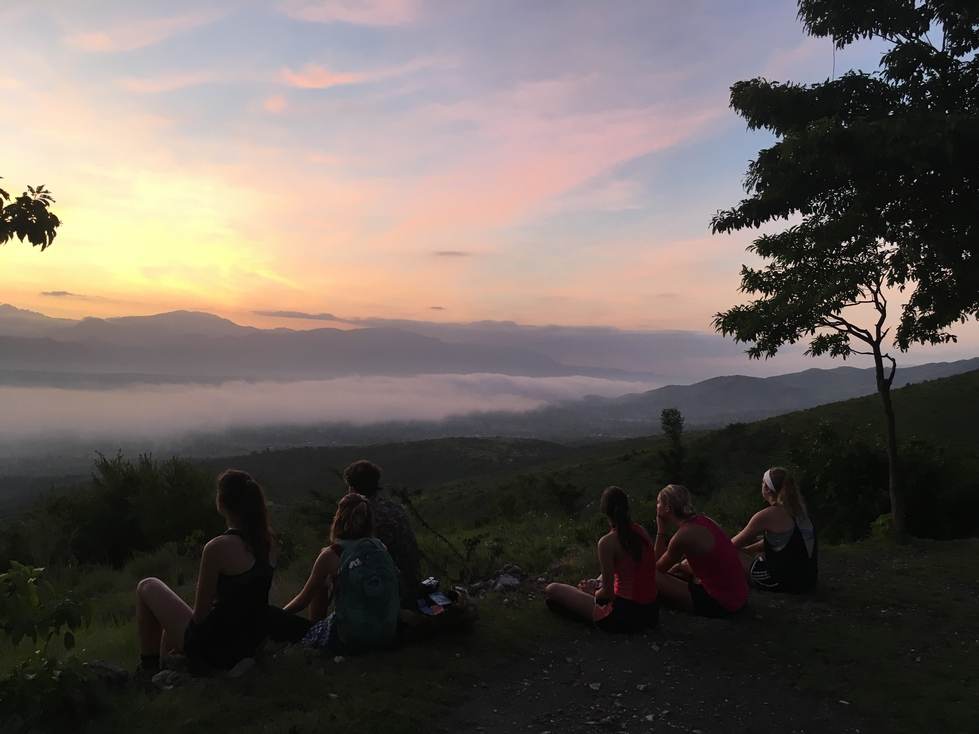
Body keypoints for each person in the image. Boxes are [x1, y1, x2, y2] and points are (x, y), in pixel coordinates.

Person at [135, 470, 275, 675]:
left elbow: (200, 617)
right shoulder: (268, 543)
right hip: (248, 644)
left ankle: (148, 671)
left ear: (221, 502)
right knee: (171, 625)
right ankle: (165, 669)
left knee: (147, 585)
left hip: (216, 651)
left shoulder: (217, 547)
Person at [284, 493, 400, 653]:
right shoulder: (379, 547)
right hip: (386, 632)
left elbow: (303, 600)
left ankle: (315, 629)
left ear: (339, 518)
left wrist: (280, 614)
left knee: (320, 584)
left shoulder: (331, 554)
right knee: (326, 580)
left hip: (351, 637)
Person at [544, 486, 658, 632]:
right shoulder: (641, 531)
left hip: (624, 615)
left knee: (552, 589)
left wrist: (593, 592)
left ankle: (592, 616)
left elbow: (608, 594)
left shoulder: (607, 542)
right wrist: (598, 584)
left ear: (604, 511)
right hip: (651, 613)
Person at [653, 484, 748, 618]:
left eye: (658, 502)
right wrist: (680, 566)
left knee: (650, 575)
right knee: (682, 566)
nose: (656, 506)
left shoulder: (683, 535)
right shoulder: (705, 520)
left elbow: (657, 568)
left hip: (721, 604)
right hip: (739, 598)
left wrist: (661, 530)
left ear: (667, 508)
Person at [343, 460, 421, 607]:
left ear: (352, 489)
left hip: (388, 591)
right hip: (411, 585)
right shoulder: (396, 508)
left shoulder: (362, 516)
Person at [731, 467, 818, 593]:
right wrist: (748, 549)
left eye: (762, 483)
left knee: (732, 553)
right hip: (807, 582)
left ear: (767, 488)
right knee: (756, 553)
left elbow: (731, 545)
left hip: (782, 583)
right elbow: (785, 541)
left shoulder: (767, 515)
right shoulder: (800, 511)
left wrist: (742, 550)